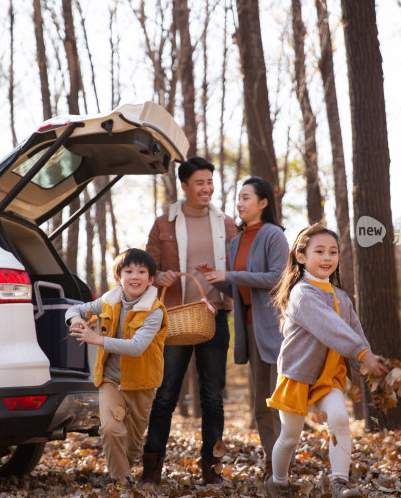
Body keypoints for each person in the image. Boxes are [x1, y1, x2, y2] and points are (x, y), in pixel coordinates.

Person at [264, 224, 388, 498]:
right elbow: (330, 326)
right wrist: (362, 353)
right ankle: (278, 482)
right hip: (297, 376)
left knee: (340, 418)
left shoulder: (341, 296)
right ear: (300, 256)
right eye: (319, 251)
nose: (327, 257)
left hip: (328, 376)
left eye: (333, 251)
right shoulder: (301, 293)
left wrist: (367, 367)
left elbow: (355, 333)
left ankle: (340, 483)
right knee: (290, 437)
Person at [140, 156, 238, 486]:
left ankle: (212, 468)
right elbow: (145, 270)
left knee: (212, 396)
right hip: (176, 319)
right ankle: (151, 468)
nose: (207, 188)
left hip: (214, 317)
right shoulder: (163, 223)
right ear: (184, 186)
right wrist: (159, 277)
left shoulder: (226, 223)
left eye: (210, 181)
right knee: (166, 395)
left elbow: (239, 267)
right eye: (200, 182)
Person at [197, 177, 288, 475]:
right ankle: (271, 459)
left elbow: (276, 278)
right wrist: (218, 278)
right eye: (239, 197)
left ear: (263, 203)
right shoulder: (235, 242)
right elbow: (237, 290)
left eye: (246, 197)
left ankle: (284, 462)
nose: (240, 203)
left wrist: (231, 275)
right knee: (261, 403)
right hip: (249, 329)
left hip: (275, 328)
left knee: (280, 401)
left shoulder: (274, 235)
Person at [65, 248, 169, 487]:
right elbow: (75, 309)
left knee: (132, 443)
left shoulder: (154, 311)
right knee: (111, 430)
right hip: (110, 380)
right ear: (118, 277)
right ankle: (121, 482)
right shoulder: (107, 302)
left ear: (151, 279)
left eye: (142, 272)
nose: (136, 276)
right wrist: (76, 320)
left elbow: (136, 346)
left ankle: (124, 472)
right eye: (129, 271)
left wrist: (96, 339)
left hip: (141, 383)